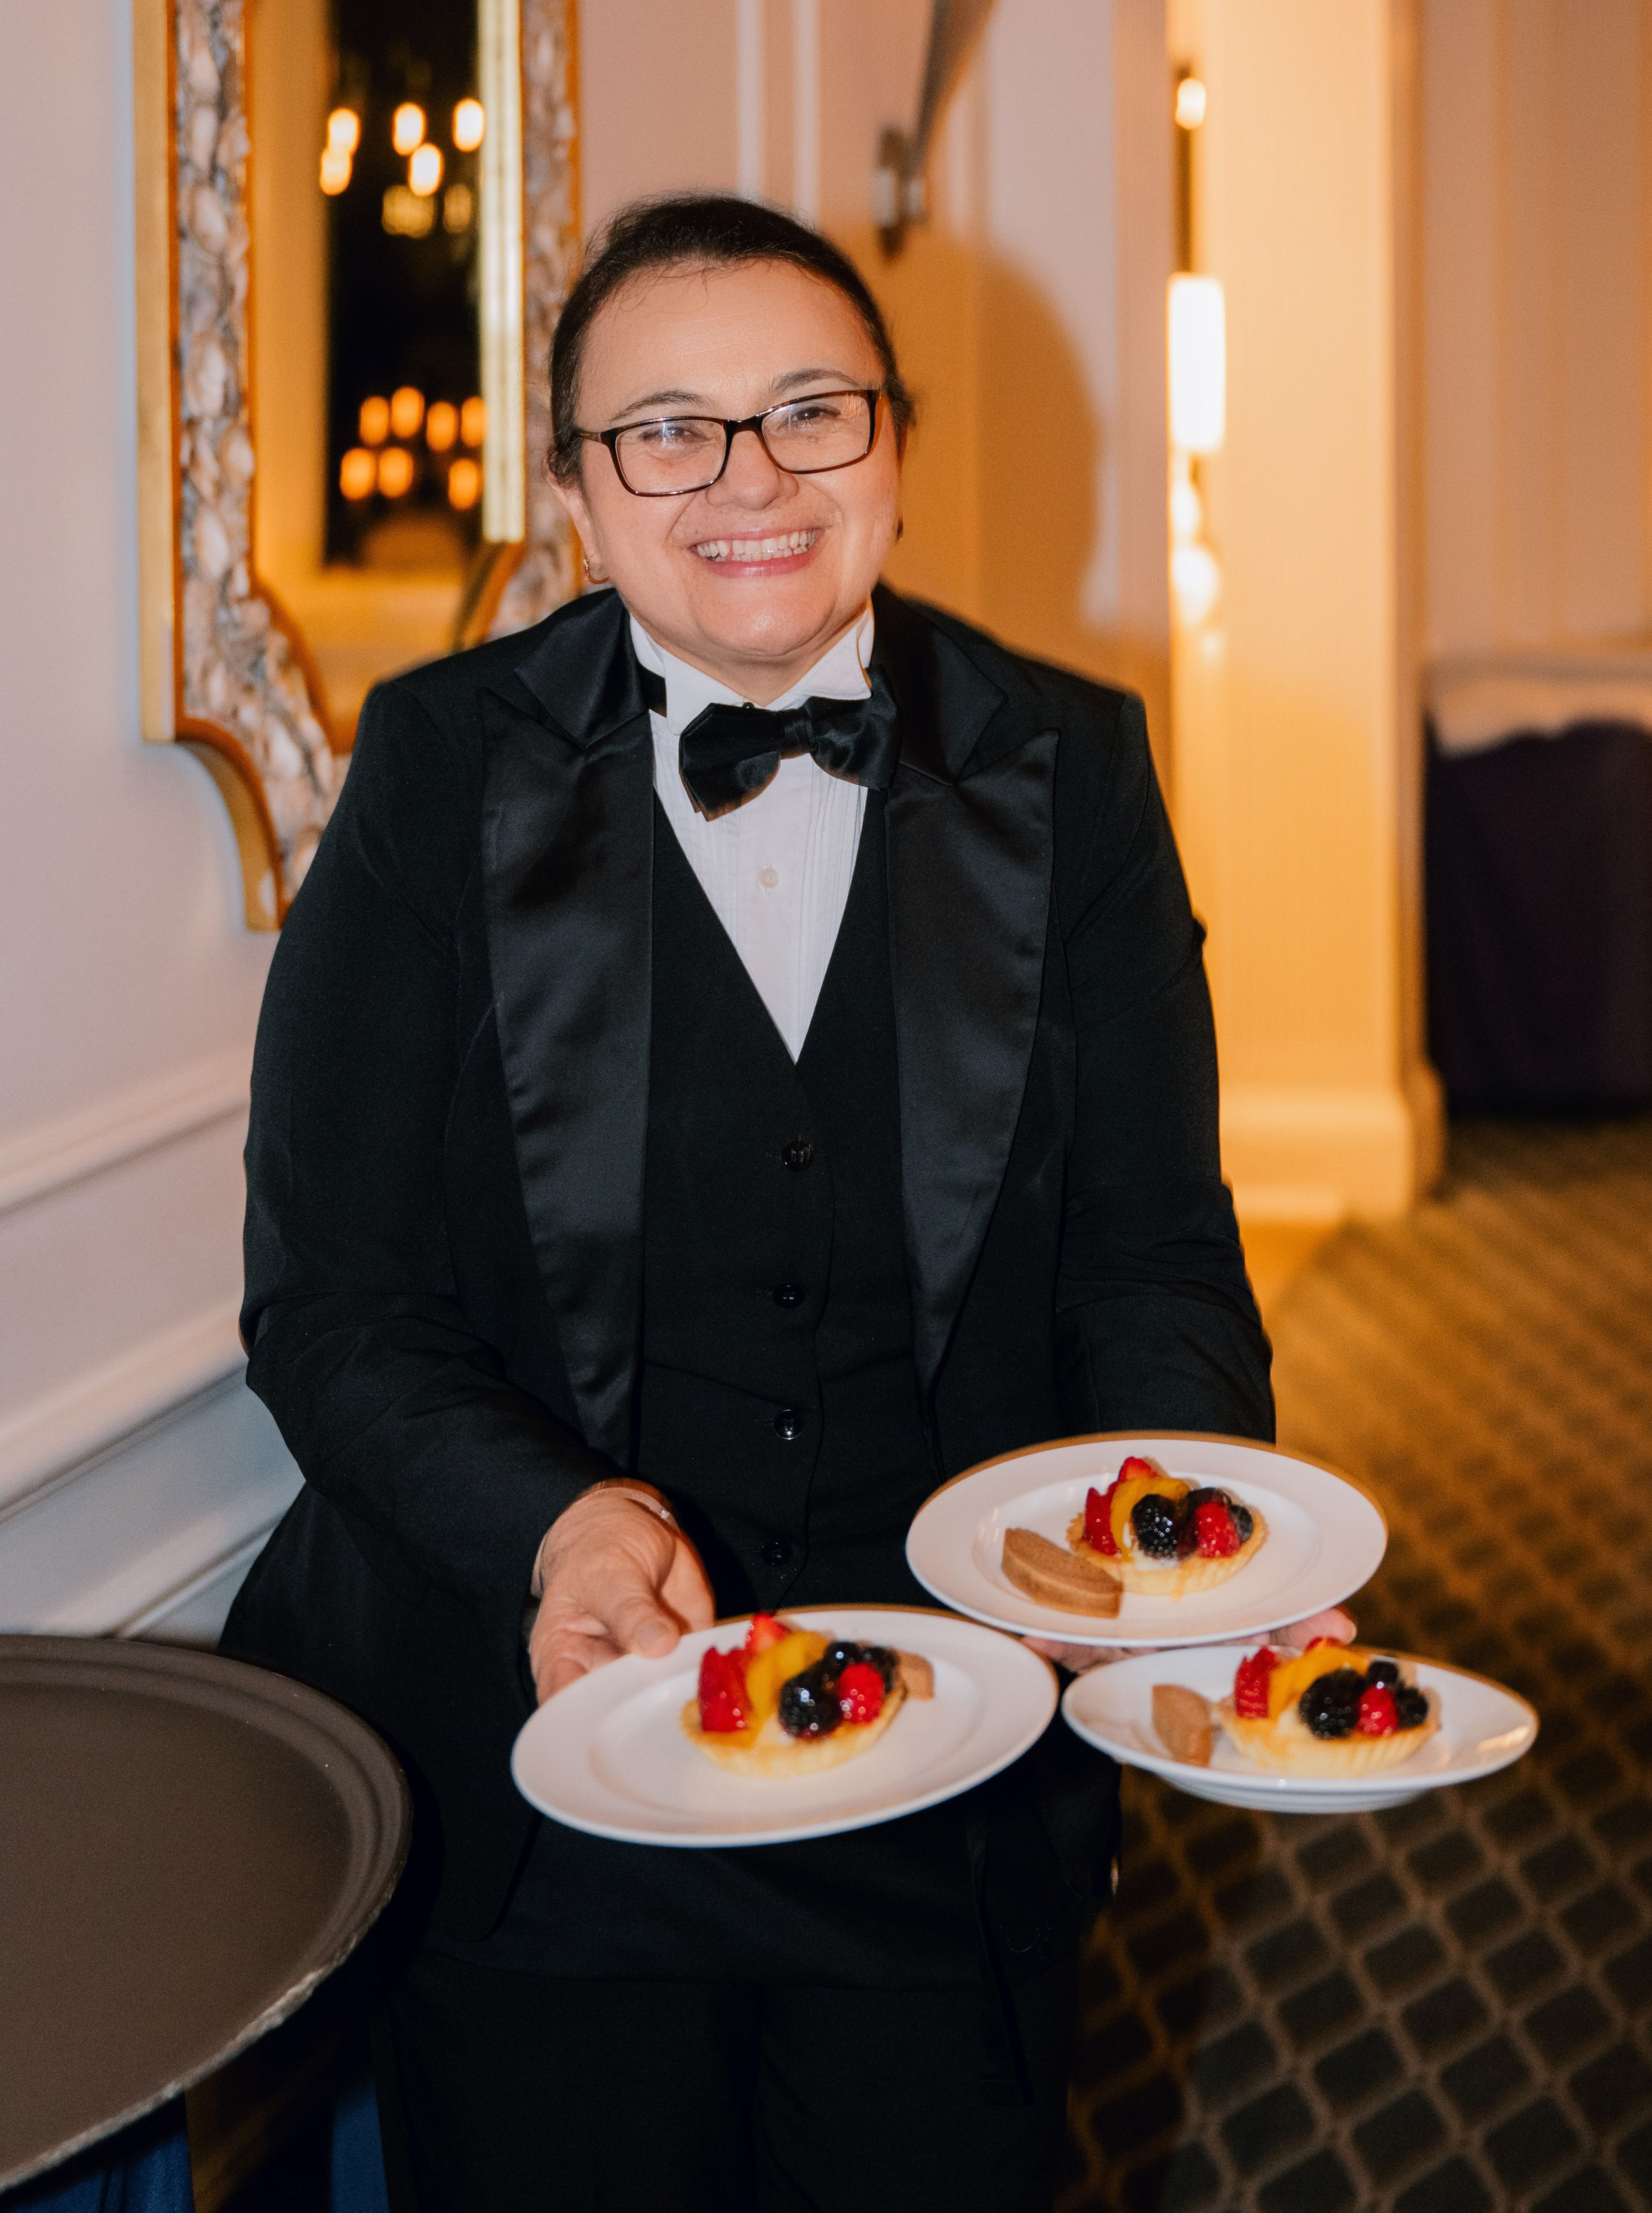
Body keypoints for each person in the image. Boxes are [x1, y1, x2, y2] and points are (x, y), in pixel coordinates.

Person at [225, 194, 1325, 2211]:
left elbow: (1154, 1255)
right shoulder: (430, 768)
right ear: (577, 488)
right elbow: (333, 1302)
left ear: (895, 448)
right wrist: (552, 1524)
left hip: (958, 1759)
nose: (748, 479)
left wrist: (1191, 1540)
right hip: (549, 1781)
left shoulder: (1073, 764)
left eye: (812, 412)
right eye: (669, 429)